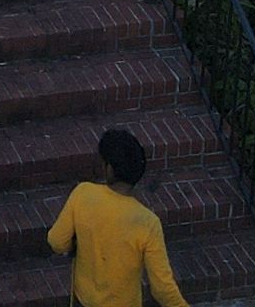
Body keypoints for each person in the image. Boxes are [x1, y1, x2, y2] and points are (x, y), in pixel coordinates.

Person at [44, 127, 191, 307]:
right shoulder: (147, 222)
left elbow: (56, 242)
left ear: (110, 169)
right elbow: (162, 288)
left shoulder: (83, 193)